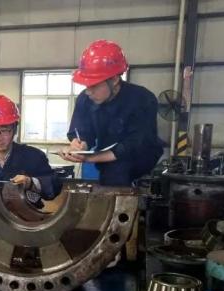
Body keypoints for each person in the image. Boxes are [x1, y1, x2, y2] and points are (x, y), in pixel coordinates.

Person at [60, 40, 164, 186]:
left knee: (118, 171)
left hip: (141, 158)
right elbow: (82, 132)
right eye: (86, 86)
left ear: (114, 79)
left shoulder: (142, 99)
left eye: (94, 85)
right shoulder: (85, 99)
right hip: (107, 159)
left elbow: (135, 144)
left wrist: (90, 158)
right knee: (110, 175)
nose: (88, 92)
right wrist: (79, 146)